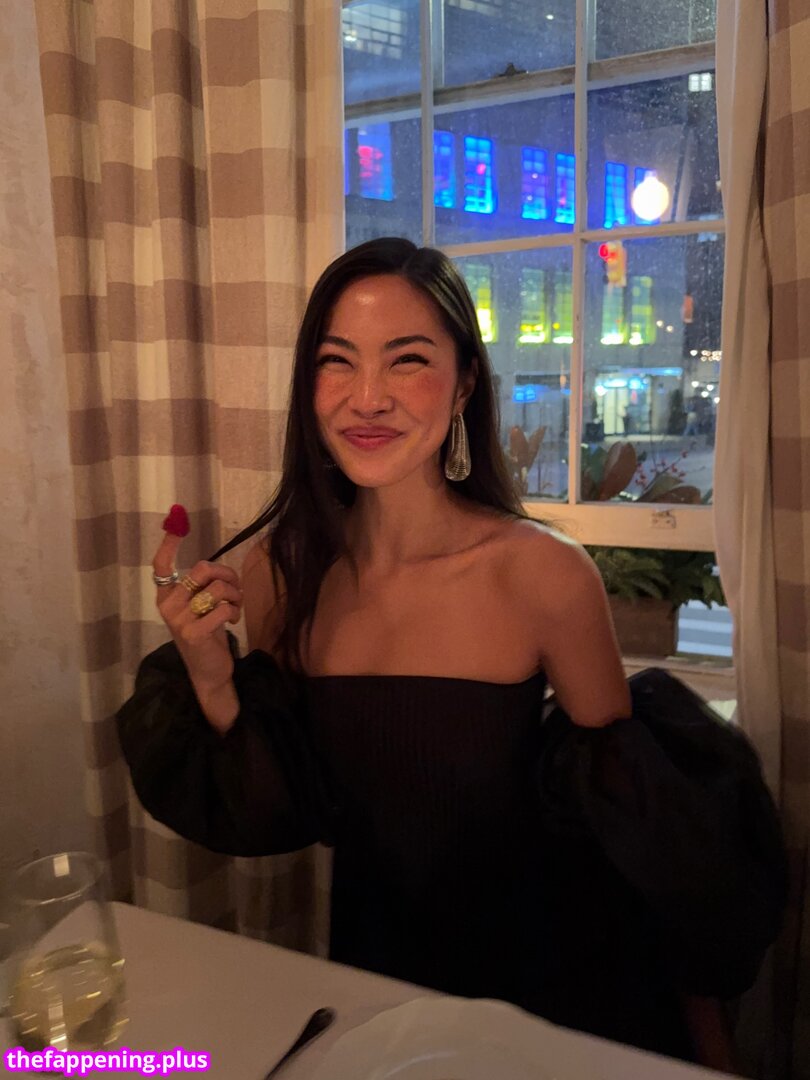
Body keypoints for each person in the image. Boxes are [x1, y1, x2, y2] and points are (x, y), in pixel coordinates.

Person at [118, 238, 785, 1066]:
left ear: (465, 382)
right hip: (373, 974)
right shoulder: (280, 572)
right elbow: (279, 810)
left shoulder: (543, 572)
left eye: (407, 361)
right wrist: (213, 678)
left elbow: (644, 835)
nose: (367, 397)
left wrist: (708, 1052)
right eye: (336, 361)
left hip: (548, 981)